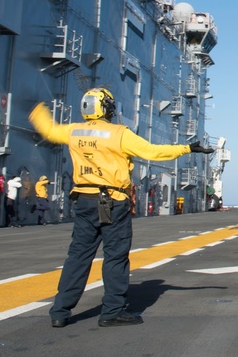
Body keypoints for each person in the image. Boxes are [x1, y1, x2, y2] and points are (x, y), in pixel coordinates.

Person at [29, 87, 213, 328]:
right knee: (115, 257)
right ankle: (112, 311)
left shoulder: (73, 131)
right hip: (113, 201)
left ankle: (60, 311)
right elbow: (152, 152)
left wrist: (36, 109)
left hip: (84, 200)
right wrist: (188, 148)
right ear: (107, 108)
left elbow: (49, 130)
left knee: (78, 257)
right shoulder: (118, 134)